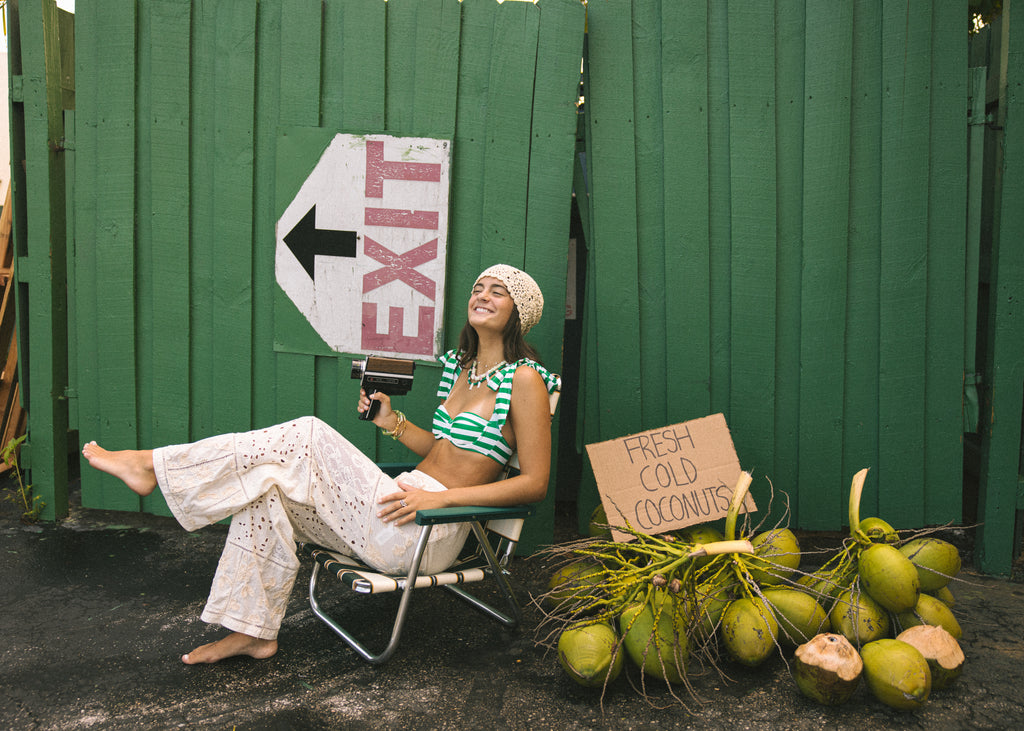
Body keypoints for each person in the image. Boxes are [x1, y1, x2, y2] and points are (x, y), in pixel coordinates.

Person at [82, 264, 560, 665]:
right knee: (266, 489)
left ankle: (152, 466)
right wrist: (390, 421)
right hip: (402, 508)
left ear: (520, 314)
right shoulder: (461, 368)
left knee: (307, 435)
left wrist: (440, 498)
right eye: (478, 287)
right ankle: (253, 632)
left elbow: (535, 483)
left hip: (428, 532)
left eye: (499, 292)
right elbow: (442, 451)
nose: (483, 294)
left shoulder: (525, 382)